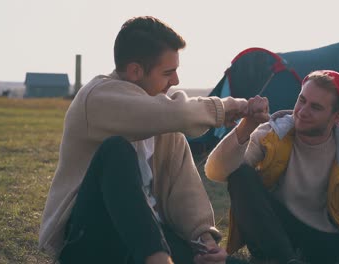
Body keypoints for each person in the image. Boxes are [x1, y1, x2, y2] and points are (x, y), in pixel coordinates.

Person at [38, 16, 248, 264]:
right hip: (90, 240)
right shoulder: (96, 98)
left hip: (147, 239)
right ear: (136, 71)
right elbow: (174, 113)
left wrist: (205, 242)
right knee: (115, 150)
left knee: (222, 262)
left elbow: (186, 193)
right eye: (168, 73)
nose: (176, 81)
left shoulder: (166, 124)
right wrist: (226, 106)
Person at [205, 70, 339, 264]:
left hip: (326, 240)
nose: (302, 111)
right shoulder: (270, 135)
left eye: (315, 107)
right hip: (275, 233)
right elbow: (216, 172)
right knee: (240, 173)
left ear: (338, 116)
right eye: (302, 100)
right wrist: (246, 126)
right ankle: (284, 260)